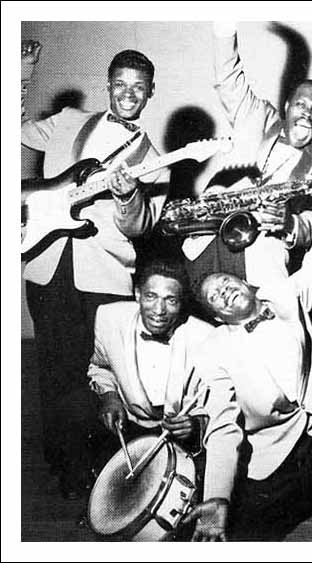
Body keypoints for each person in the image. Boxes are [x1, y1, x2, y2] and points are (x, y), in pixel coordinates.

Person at [185, 144, 312, 541]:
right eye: (214, 297)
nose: (223, 291)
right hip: (270, 451)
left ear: (247, 284)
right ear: (217, 317)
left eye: (227, 282)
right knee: (242, 534)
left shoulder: (286, 297)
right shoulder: (213, 350)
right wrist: (217, 496)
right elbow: (222, 424)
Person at [21, 40, 170, 497]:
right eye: (121, 84)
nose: (128, 94)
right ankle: (65, 466)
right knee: (54, 370)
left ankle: (102, 469)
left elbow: (141, 226)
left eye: (138, 87)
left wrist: (129, 196)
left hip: (104, 274)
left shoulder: (155, 160)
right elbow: (18, 130)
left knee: (100, 376)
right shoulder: (69, 120)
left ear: (150, 93)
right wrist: (21, 74)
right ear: (108, 86)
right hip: (47, 264)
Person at [87, 258, 242, 538]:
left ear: (182, 303)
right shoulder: (109, 318)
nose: (159, 310)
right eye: (151, 297)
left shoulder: (207, 337)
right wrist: (109, 396)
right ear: (137, 294)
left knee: (193, 519)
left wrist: (197, 424)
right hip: (133, 426)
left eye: (171, 300)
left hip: (186, 438)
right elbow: (100, 366)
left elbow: (223, 410)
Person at [182, 22, 312, 292]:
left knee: (273, 310)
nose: (307, 114)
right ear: (287, 106)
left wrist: (290, 223)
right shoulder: (256, 115)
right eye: (301, 104)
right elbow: (228, 79)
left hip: (264, 253)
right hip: (208, 239)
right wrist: (225, 25)